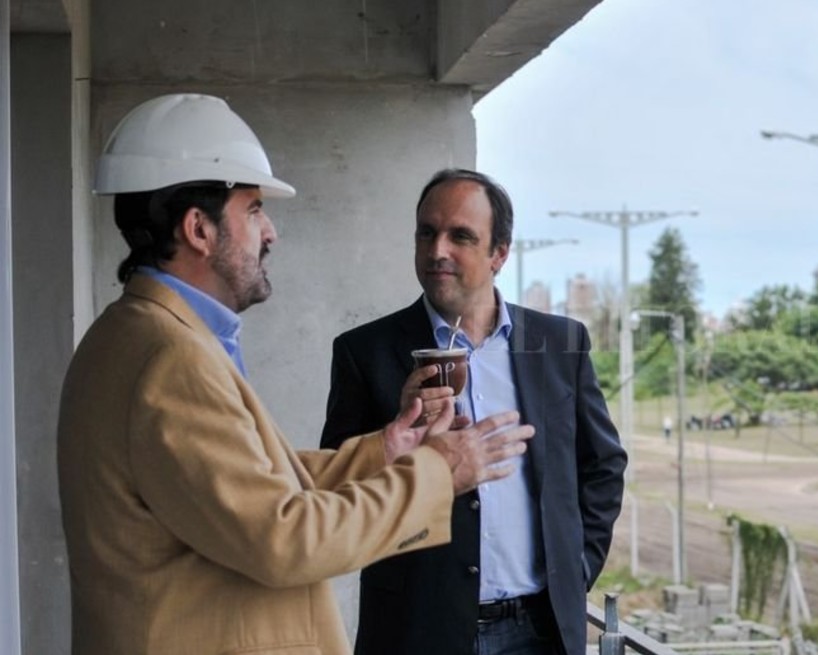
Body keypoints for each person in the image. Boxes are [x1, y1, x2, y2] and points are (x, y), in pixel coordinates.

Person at [56, 94, 533, 655]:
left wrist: (386, 450)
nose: (271, 233)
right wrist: (439, 471)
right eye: (254, 209)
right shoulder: (171, 360)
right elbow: (283, 535)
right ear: (198, 230)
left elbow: (248, 487)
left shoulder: (135, 335)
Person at [320, 168, 627, 655]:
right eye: (427, 232)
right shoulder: (366, 352)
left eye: (460, 236)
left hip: (541, 632)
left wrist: (575, 569)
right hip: (416, 630)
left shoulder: (560, 344)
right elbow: (334, 489)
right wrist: (397, 438)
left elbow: (603, 465)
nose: (437, 250)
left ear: (499, 253)